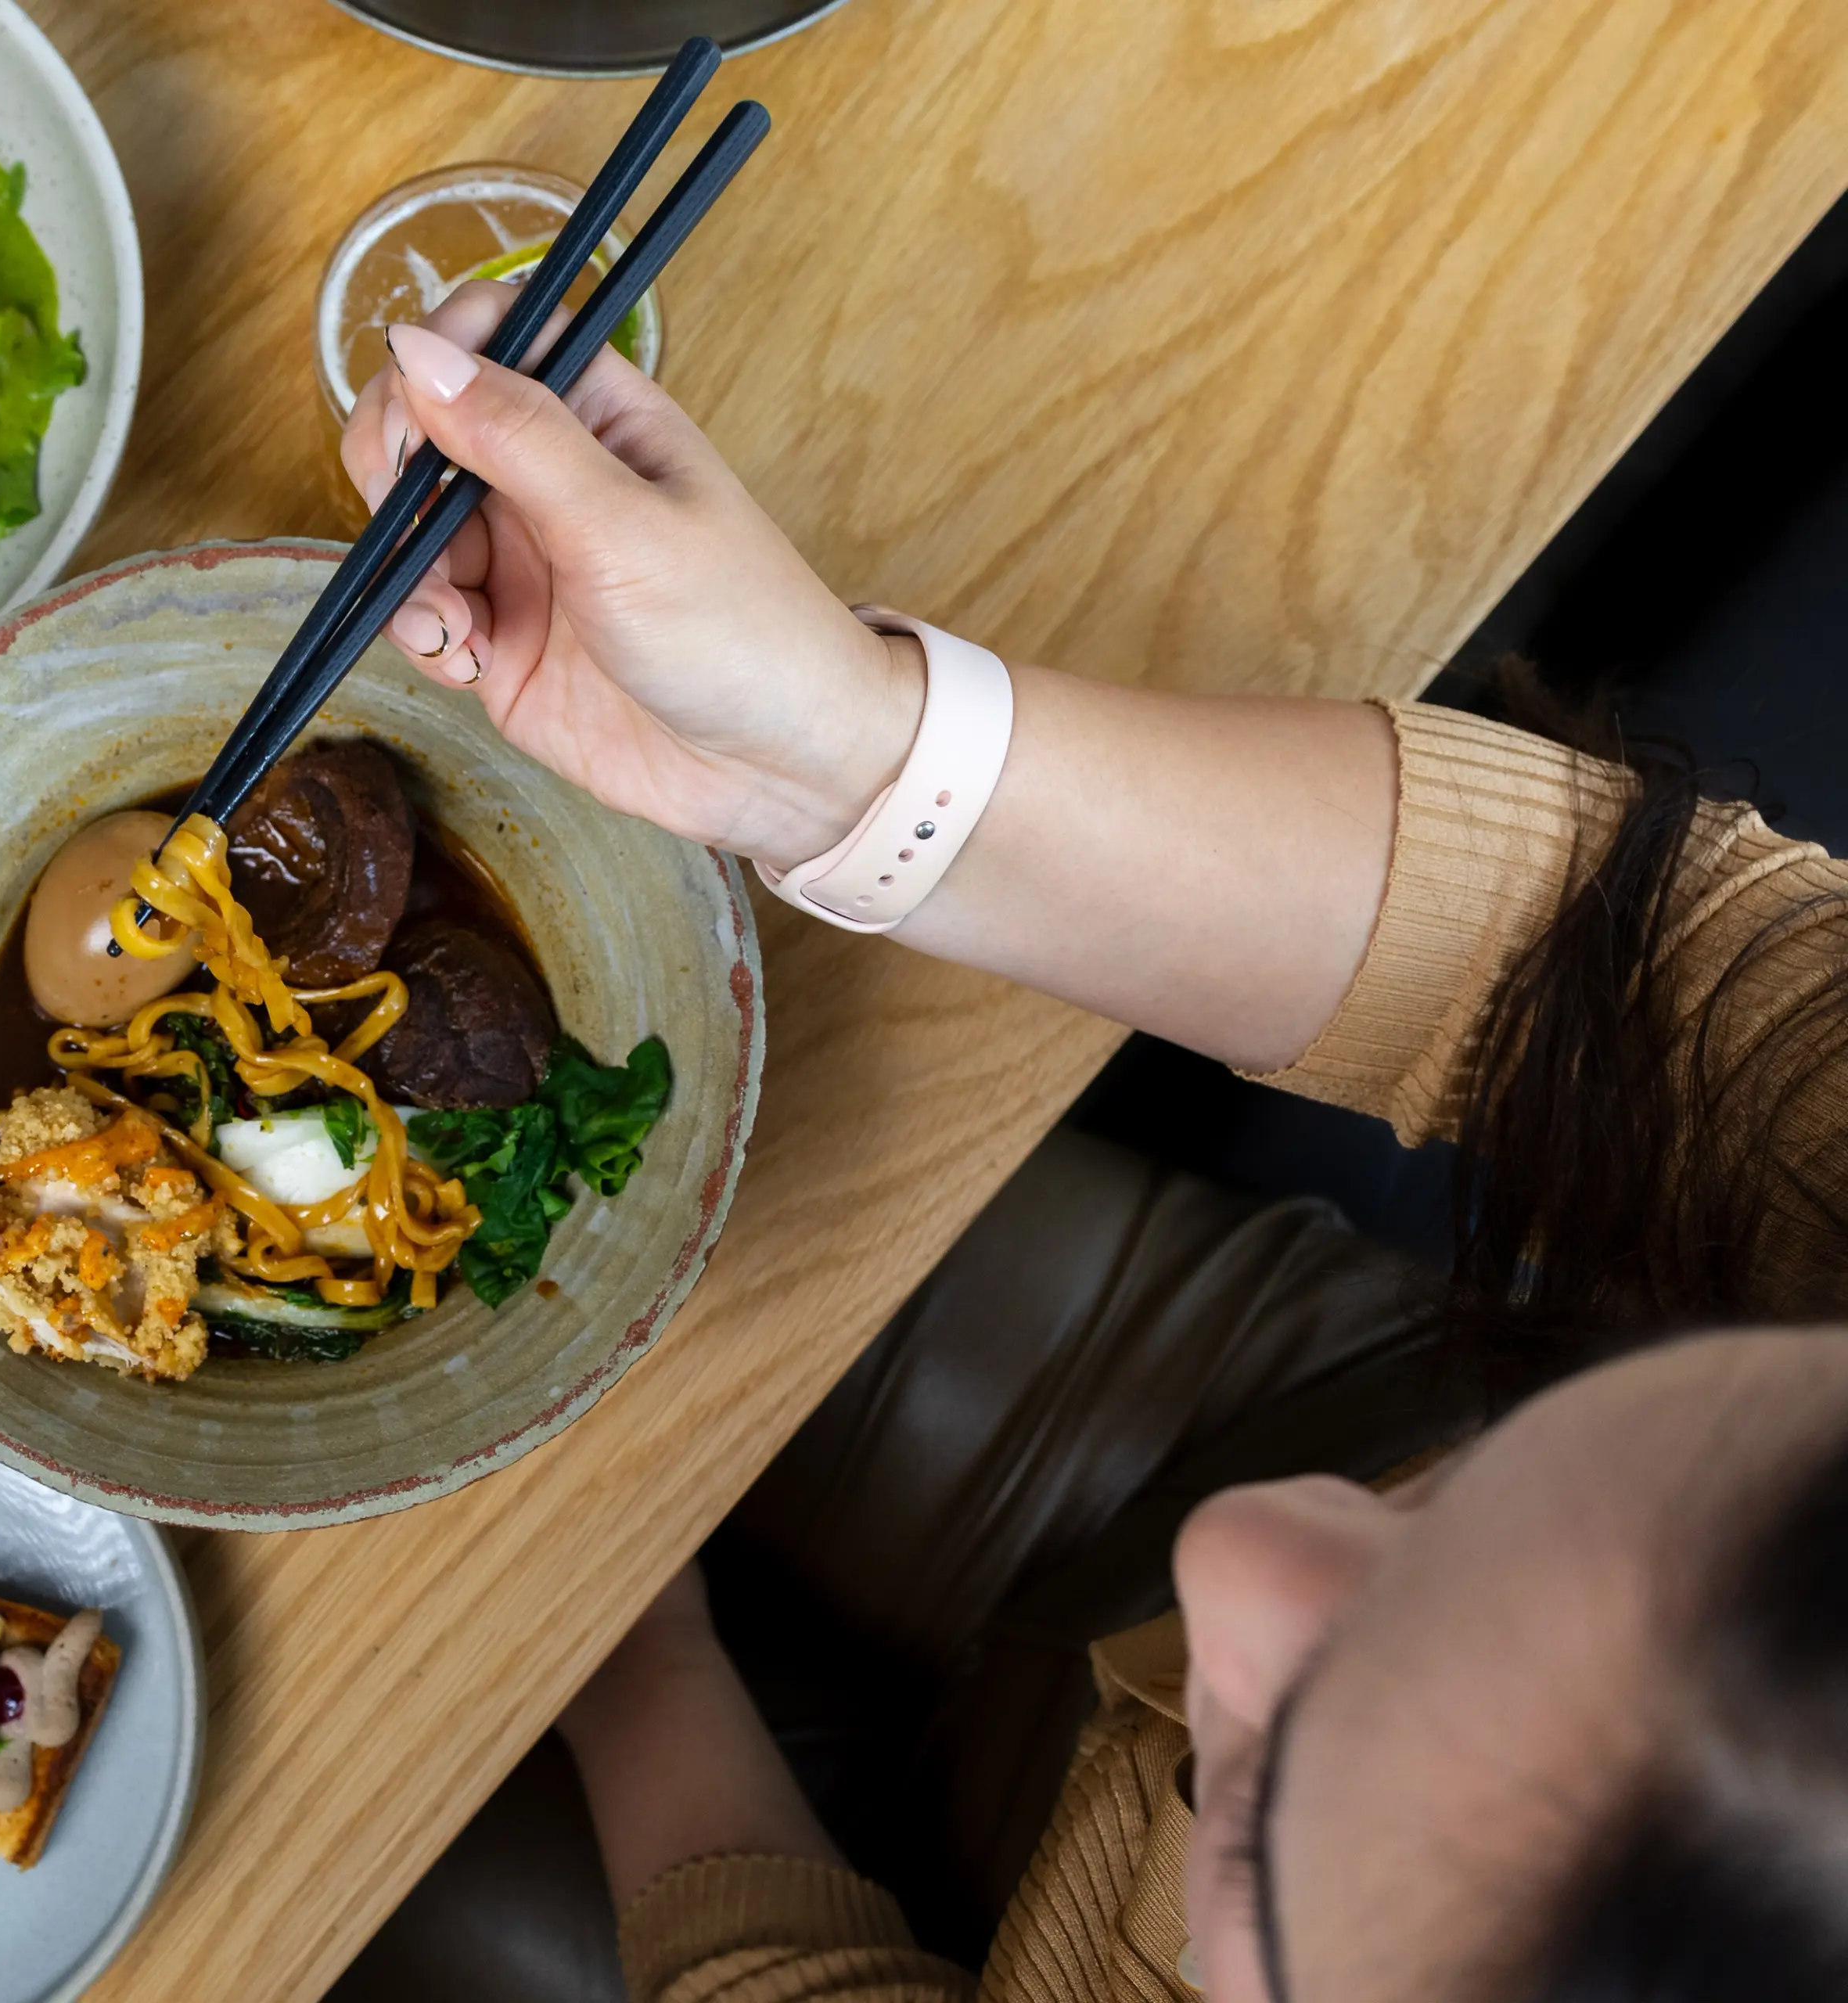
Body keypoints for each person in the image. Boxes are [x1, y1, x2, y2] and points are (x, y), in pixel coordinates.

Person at [329, 282, 1848, 1999]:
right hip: (1292, 1385)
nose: (1242, 1552)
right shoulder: (1307, 1509)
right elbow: (1621, 978)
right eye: (1506, 1472)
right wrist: (847, 752)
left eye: (1266, 1816)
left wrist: (642, 1670)